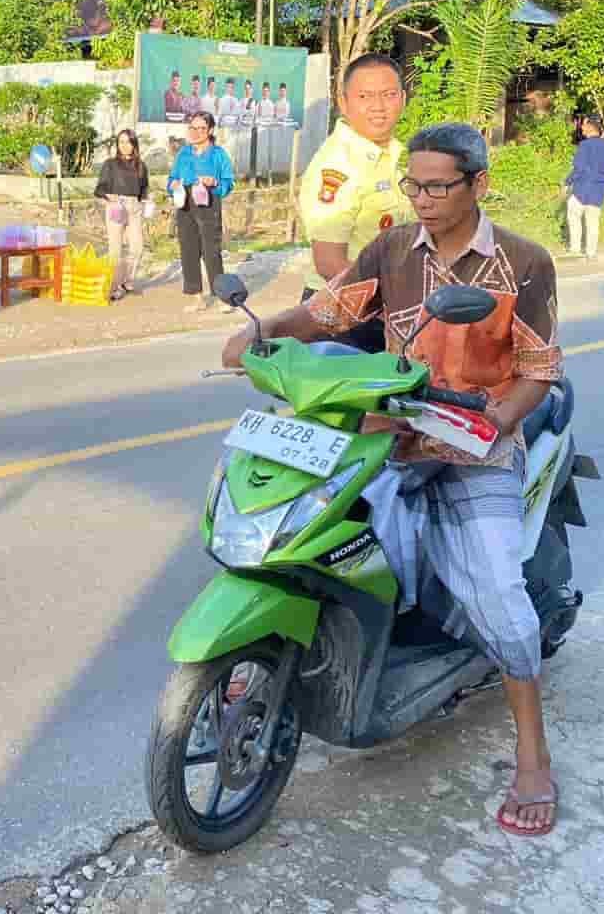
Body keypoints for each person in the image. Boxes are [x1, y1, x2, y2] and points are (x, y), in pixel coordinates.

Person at [222, 121, 564, 837]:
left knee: (496, 591)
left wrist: (497, 420)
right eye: (414, 185)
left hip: (474, 449)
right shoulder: (392, 249)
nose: (423, 199)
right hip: (388, 438)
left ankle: (533, 756)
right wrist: (263, 333)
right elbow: (329, 312)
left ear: (478, 184)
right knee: (310, 535)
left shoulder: (525, 263)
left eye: (438, 186)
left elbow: (538, 372)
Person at [297, 52, 414, 352]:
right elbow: (329, 262)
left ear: (402, 99)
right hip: (344, 314)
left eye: (388, 95)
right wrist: (392, 304)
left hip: (380, 309)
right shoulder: (339, 165)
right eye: (365, 96)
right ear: (344, 102)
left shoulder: (388, 156)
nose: (378, 106)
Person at [167, 111, 235, 312]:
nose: (196, 132)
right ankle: (197, 297)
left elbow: (228, 182)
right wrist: (173, 185)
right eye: (192, 128)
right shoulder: (183, 153)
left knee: (211, 251)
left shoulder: (218, 154)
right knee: (188, 250)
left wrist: (214, 183)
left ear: (210, 130)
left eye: (201, 128)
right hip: (185, 203)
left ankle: (222, 297)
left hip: (208, 202)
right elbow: (172, 178)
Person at [94, 129, 150, 300]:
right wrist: (109, 197)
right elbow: (99, 189)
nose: (125, 145)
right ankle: (115, 286)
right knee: (115, 249)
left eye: (128, 142)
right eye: (121, 142)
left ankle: (127, 282)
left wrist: (147, 201)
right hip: (116, 206)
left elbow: (144, 189)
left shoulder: (141, 166)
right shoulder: (110, 164)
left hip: (134, 208)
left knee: (137, 247)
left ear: (134, 144)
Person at [563, 117, 604, 260]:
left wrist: (567, 182)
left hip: (581, 189)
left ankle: (575, 250)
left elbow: (578, 168)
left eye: (584, 126)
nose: (582, 128)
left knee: (574, 217)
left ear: (591, 128)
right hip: (598, 191)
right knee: (593, 222)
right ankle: (591, 253)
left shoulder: (584, 145)